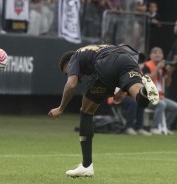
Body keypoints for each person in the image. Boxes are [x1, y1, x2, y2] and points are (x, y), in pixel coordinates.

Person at [48, 44, 159, 177]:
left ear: (68, 63)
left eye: (67, 72)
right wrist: (120, 90)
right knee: (141, 98)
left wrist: (61, 108)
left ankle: (86, 166)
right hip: (127, 59)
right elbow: (116, 63)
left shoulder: (75, 56)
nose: (70, 73)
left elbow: (71, 85)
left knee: (86, 112)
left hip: (107, 63)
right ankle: (146, 91)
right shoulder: (95, 49)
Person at [142, 47, 177, 135]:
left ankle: (166, 127)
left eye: (160, 53)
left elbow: (167, 84)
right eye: (155, 53)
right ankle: (155, 127)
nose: (157, 55)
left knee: (175, 107)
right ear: (150, 55)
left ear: (162, 56)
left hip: (160, 96)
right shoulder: (146, 65)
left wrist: (169, 73)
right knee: (161, 104)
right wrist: (157, 68)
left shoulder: (163, 68)